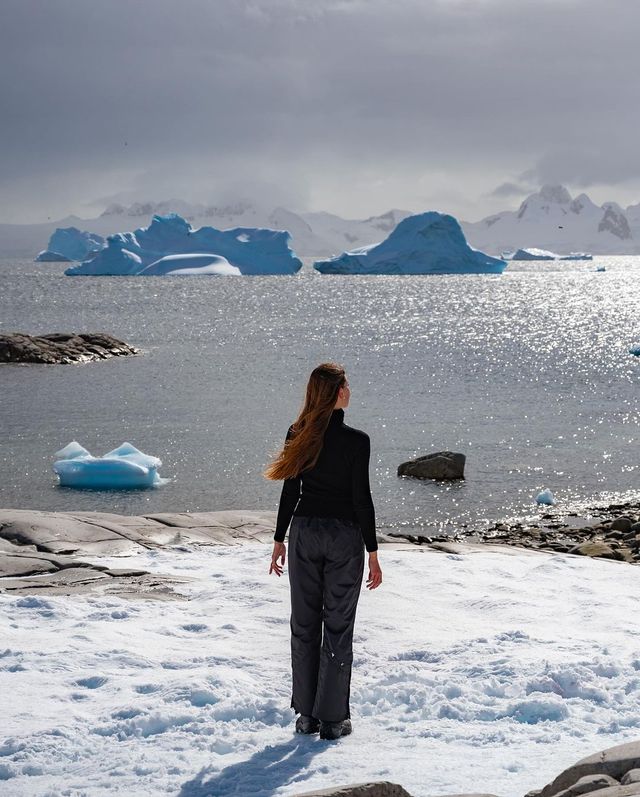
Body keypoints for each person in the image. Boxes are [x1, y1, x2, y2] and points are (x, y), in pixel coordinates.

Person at [265, 362, 382, 741]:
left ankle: (306, 716)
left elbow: (290, 492)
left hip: (304, 534)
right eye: (345, 384)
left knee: (304, 623)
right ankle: (332, 719)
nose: (350, 388)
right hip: (344, 538)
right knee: (337, 625)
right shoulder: (357, 441)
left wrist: (279, 539)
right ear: (334, 392)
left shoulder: (297, 433)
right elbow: (361, 500)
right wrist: (374, 551)